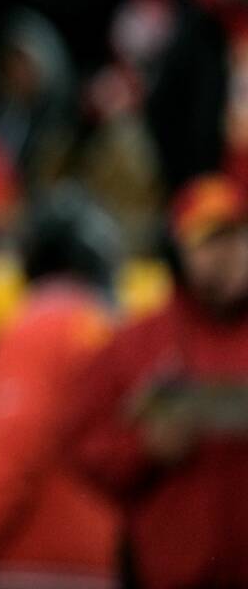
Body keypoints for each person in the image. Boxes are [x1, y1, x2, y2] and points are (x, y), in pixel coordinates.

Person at [66, 173, 248, 589]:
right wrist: (146, 449)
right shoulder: (138, 343)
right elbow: (84, 445)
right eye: (212, 240)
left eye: (238, 236)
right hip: (171, 575)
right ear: (176, 252)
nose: (231, 253)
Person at [0, 187, 120, 589]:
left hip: (34, 551)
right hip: (101, 549)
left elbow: (15, 437)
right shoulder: (107, 326)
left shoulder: (41, 326)